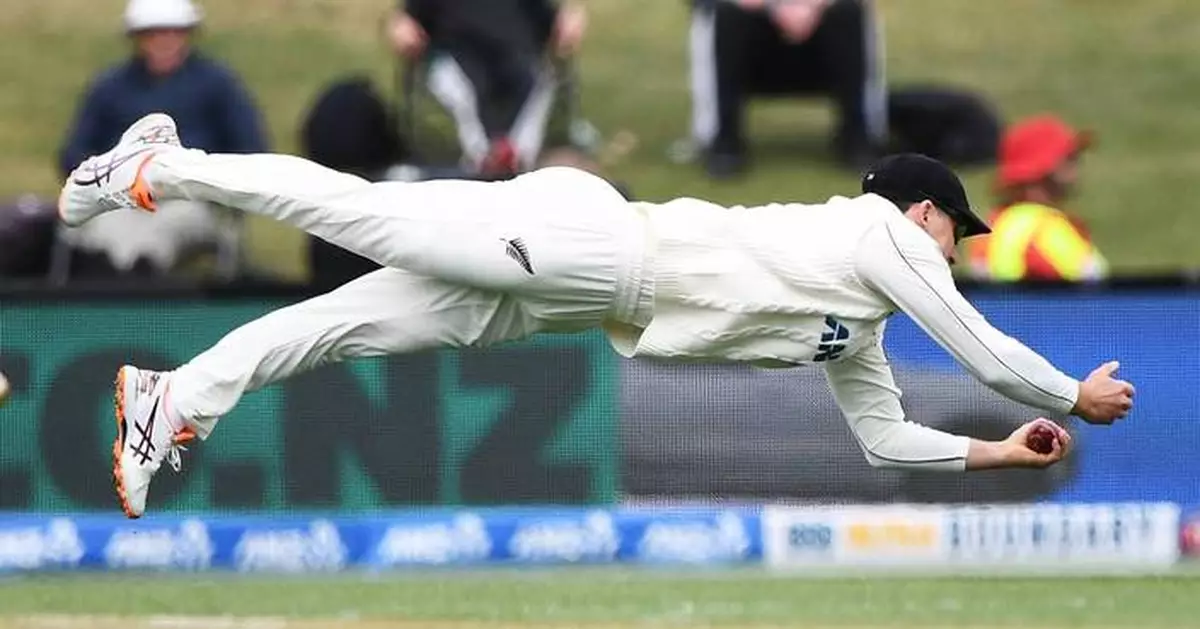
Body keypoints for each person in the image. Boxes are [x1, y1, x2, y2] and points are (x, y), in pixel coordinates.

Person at [58, 114, 1134, 519]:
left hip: (568, 304)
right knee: (367, 214)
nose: (961, 246)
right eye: (961, 229)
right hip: (595, 245)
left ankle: (169, 398)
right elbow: (979, 341)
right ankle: (168, 162)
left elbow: (882, 435)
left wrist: (997, 450)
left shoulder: (852, 323)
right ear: (922, 211)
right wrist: (1070, 396)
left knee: (339, 323)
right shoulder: (884, 237)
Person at [57, 0, 267, 276]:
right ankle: (119, 292)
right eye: (153, 34)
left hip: (190, 200)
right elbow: (74, 153)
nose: (164, 42)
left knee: (154, 235)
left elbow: (250, 149)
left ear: (187, 35)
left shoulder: (218, 85)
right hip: (119, 197)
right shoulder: (109, 87)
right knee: (104, 232)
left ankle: (139, 293)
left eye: (173, 33)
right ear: (137, 38)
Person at [683, 0, 887, 178]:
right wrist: (774, 8)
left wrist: (813, 6)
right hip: (752, 39)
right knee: (726, 14)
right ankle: (724, 141)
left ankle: (858, 139)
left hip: (821, 35)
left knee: (848, 11)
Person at [388, 0, 587, 175]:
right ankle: (485, 164)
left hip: (517, 53)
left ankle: (514, 162)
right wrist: (402, 24)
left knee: (535, 84)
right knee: (467, 90)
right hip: (454, 52)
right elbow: (409, 17)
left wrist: (564, 20)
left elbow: (546, 15)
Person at [965, 115, 1108, 282]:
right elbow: (1091, 295)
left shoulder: (991, 226)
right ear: (1043, 169)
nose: (1077, 166)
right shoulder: (1047, 230)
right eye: (1069, 158)